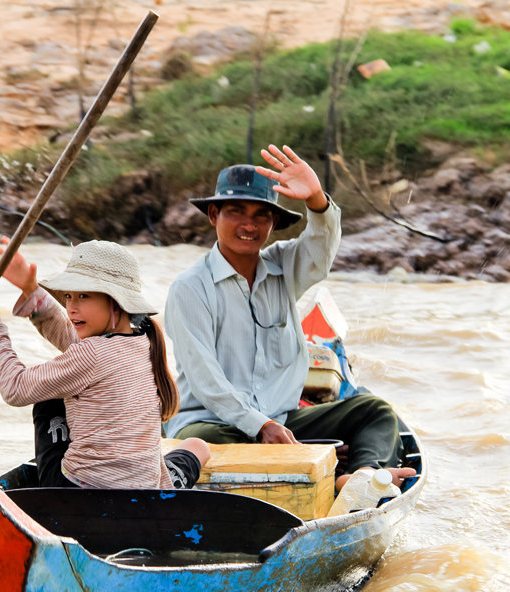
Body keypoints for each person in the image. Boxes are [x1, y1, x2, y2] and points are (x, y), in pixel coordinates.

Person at [164, 144, 415, 491]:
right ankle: (323, 472)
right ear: (213, 216)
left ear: (273, 223)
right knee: (204, 441)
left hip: (284, 421)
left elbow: (321, 249)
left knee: (374, 411)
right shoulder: (190, 287)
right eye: (236, 212)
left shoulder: (283, 267)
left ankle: (360, 477)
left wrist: (316, 199)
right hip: (214, 422)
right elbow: (206, 380)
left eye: (261, 216)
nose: (248, 225)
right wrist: (260, 425)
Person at [0, 238, 210, 490]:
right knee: (197, 446)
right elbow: (76, 344)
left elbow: (15, 388)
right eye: (68, 296)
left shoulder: (92, 354)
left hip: (81, 494)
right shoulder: (143, 340)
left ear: (116, 302)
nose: (71, 308)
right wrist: (30, 290)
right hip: (146, 487)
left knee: (49, 397)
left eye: (83, 296)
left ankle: (57, 494)